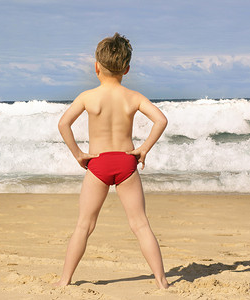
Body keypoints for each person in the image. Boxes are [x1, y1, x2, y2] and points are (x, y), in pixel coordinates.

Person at [54, 33, 169, 289]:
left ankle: (64, 280)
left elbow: (63, 124)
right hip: (127, 164)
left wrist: (79, 154)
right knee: (140, 225)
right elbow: (161, 120)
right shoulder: (134, 97)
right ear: (127, 69)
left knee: (84, 225)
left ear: (96, 66)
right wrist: (143, 149)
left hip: (98, 165)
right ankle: (162, 282)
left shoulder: (87, 97)